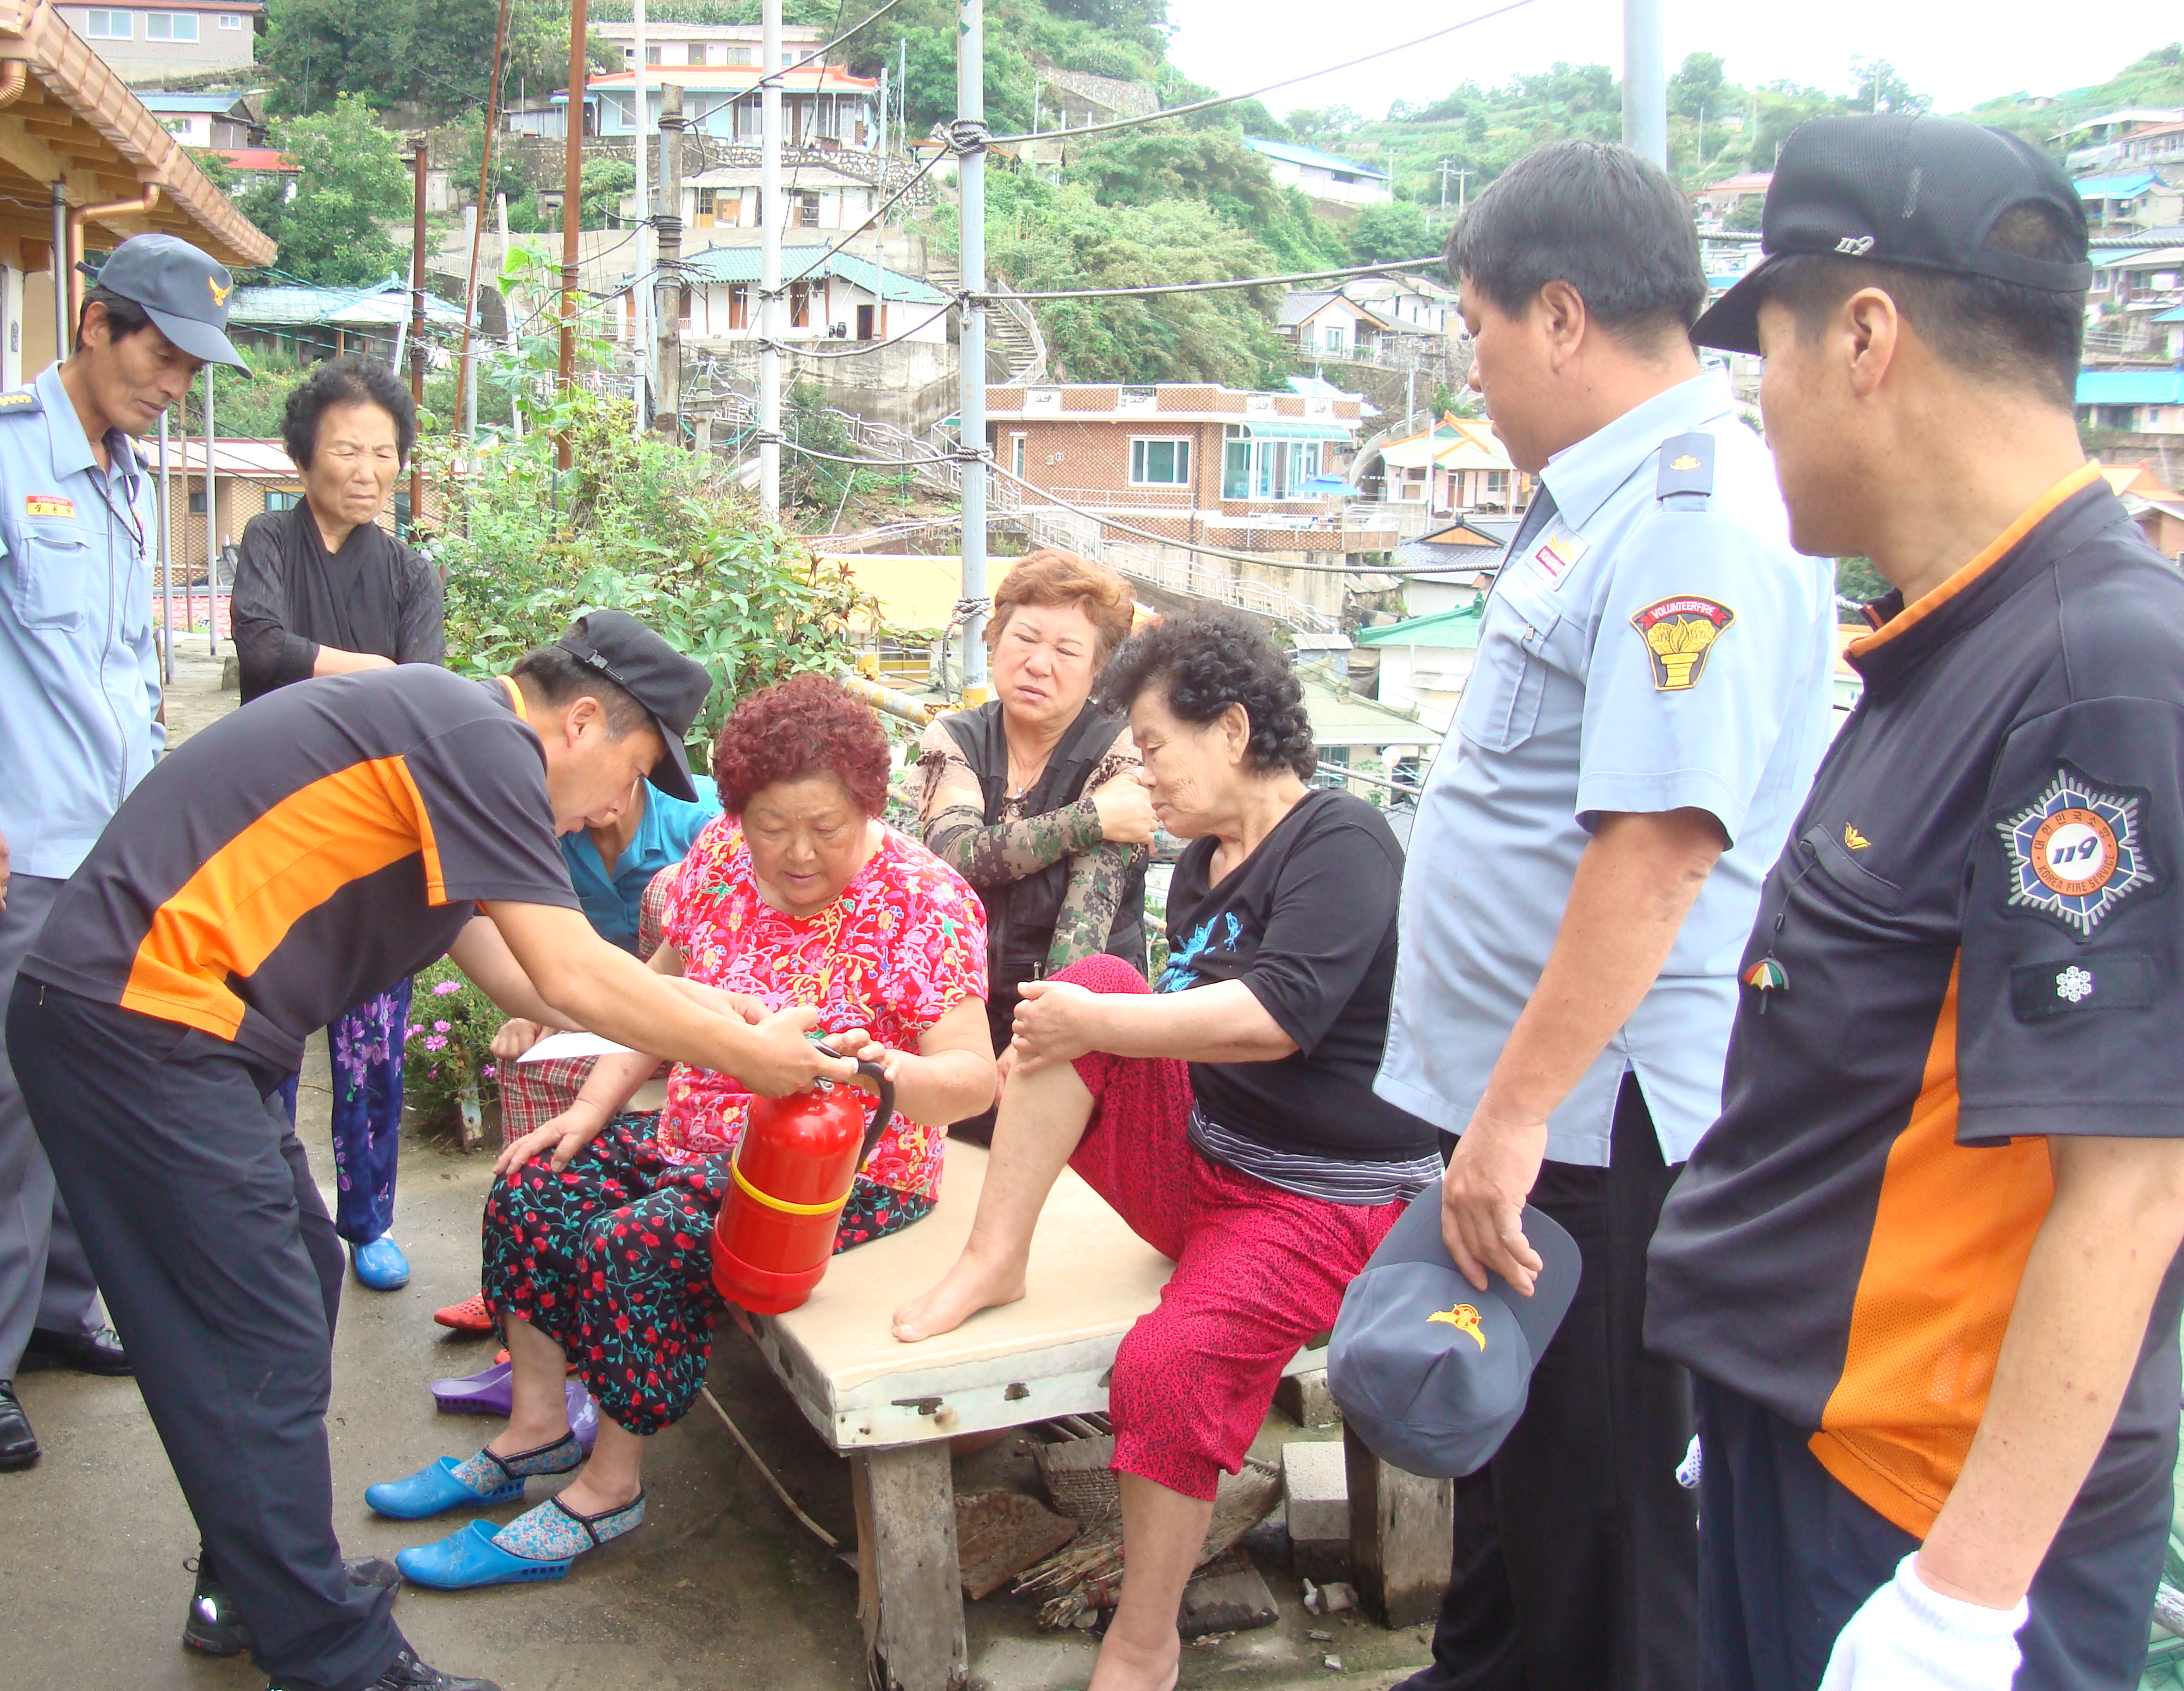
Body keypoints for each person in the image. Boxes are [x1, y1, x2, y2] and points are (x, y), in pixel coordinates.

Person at [3, 611, 857, 1691]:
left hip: (166, 1032)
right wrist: (748, 1058)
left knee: (297, 1276)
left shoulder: (444, 751)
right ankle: (333, 1659)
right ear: (578, 723)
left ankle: (257, 1586)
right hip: (142, 1027)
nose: (614, 808)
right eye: (631, 773)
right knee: (256, 1324)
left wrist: (733, 1012)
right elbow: (569, 973)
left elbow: (530, 976)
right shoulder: (480, 740)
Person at [1646, 115, 2184, 1691]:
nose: (1760, 408)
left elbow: (2132, 1182)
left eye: (1769, 355)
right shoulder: (1948, 637)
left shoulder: (2094, 668)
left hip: (1925, 1504)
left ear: (1865, 338)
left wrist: (1962, 1597)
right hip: (1815, 1436)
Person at [1372, 140, 1835, 1691]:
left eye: (1478, 329)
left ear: (1560, 315)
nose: (1473, 368)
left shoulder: (1690, 517)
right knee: (1518, 1482)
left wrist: (1510, 1117)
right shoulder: (1602, 498)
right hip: (1537, 1111)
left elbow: (1656, 849)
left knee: (1608, 1515)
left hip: (1597, 1125)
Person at [892, 611, 1430, 1691]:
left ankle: (1144, 1639)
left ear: (1231, 729)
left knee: (1166, 1366)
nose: (1140, 771)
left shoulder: (1343, 839)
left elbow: (1278, 1017)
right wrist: (1091, 1018)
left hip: (1322, 1202)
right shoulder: (1200, 866)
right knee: (1093, 984)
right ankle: (995, 1258)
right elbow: (1150, 1022)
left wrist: (1095, 1024)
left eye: (1152, 744)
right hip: (1208, 1161)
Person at [370, 675, 996, 1589]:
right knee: (533, 1184)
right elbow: (650, 999)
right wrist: (589, 1111)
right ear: (736, 814)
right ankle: (535, 1429)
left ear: (869, 805)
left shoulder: (922, 900)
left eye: (826, 826)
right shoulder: (719, 858)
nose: (797, 852)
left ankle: (609, 1487)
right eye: (771, 825)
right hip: (696, 1142)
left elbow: (973, 1080)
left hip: (846, 1174)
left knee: (637, 1240)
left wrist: (884, 1071)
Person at [0, 232, 247, 1473]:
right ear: (97, 324)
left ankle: (54, 1310)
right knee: (5, 1091)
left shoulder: (126, 478)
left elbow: (126, 667)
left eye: (190, 369)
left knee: (91, 1084)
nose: (173, 384)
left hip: (112, 846)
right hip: (18, 837)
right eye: (162, 355)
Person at [231, 355, 445, 1294]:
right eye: (348, 450)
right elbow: (260, 647)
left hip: (373, 836)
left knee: (372, 1045)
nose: (368, 470)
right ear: (304, 454)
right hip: (272, 822)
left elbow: (425, 696)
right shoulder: (268, 539)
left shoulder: (410, 572)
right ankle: (272, 1215)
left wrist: (372, 681)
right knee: (266, 1033)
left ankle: (368, 1222)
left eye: (384, 452)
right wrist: (375, 673)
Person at [430, 770, 723, 1340]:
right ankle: (526, 1279)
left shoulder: (700, 820)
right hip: (613, 1015)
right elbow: (543, 948)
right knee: (527, 1059)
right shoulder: (559, 833)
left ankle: (586, 1289)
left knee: (666, 887)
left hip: (700, 1018)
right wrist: (538, 1006)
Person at [903, 548, 1154, 1139]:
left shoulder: (1122, 749)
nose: (1038, 664)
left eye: (1067, 651)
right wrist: (1091, 817)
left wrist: (1034, 1040)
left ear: (1098, 669)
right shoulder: (956, 737)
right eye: (1025, 639)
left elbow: (1086, 919)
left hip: (1076, 1024)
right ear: (995, 641)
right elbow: (956, 855)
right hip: (962, 1018)